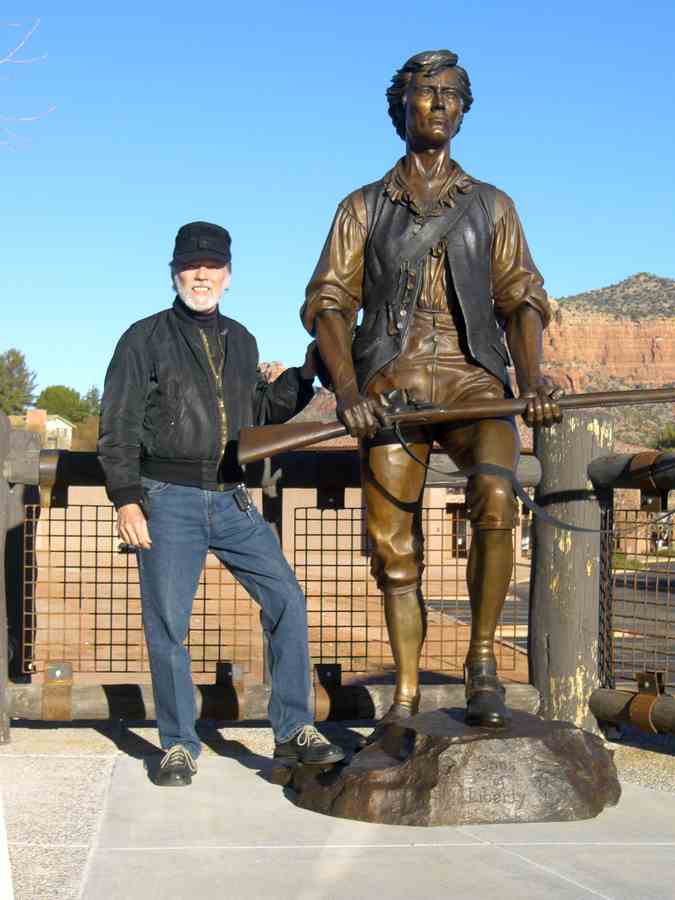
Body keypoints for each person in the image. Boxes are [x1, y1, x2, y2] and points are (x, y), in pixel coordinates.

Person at [302, 50, 561, 731]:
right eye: (426, 94)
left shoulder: (493, 205)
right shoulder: (360, 207)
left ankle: (480, 661)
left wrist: (531, 379)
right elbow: (329, 302)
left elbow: (522, 297)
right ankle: (408, 691)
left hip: (476, 384)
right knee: (392, 545)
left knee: (497, 491)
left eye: (451, 94)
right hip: (391, 387)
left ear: (464, 109)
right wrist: (350, 390)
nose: (439, 105)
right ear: (401, 109)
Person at [99, 221, 344, 785]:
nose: (201, 275)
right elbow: (118, 425)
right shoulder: (143, 338)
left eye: (212, 266)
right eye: (191, 266)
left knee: (286, 599)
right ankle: (179, 745)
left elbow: (258, 415)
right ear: (174, 273)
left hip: (233, 500)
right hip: (166, 500)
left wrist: (303, 379)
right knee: (168, 626)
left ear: (228, 276)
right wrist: (127, 500)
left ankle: (292, 729)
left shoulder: (243, 339)